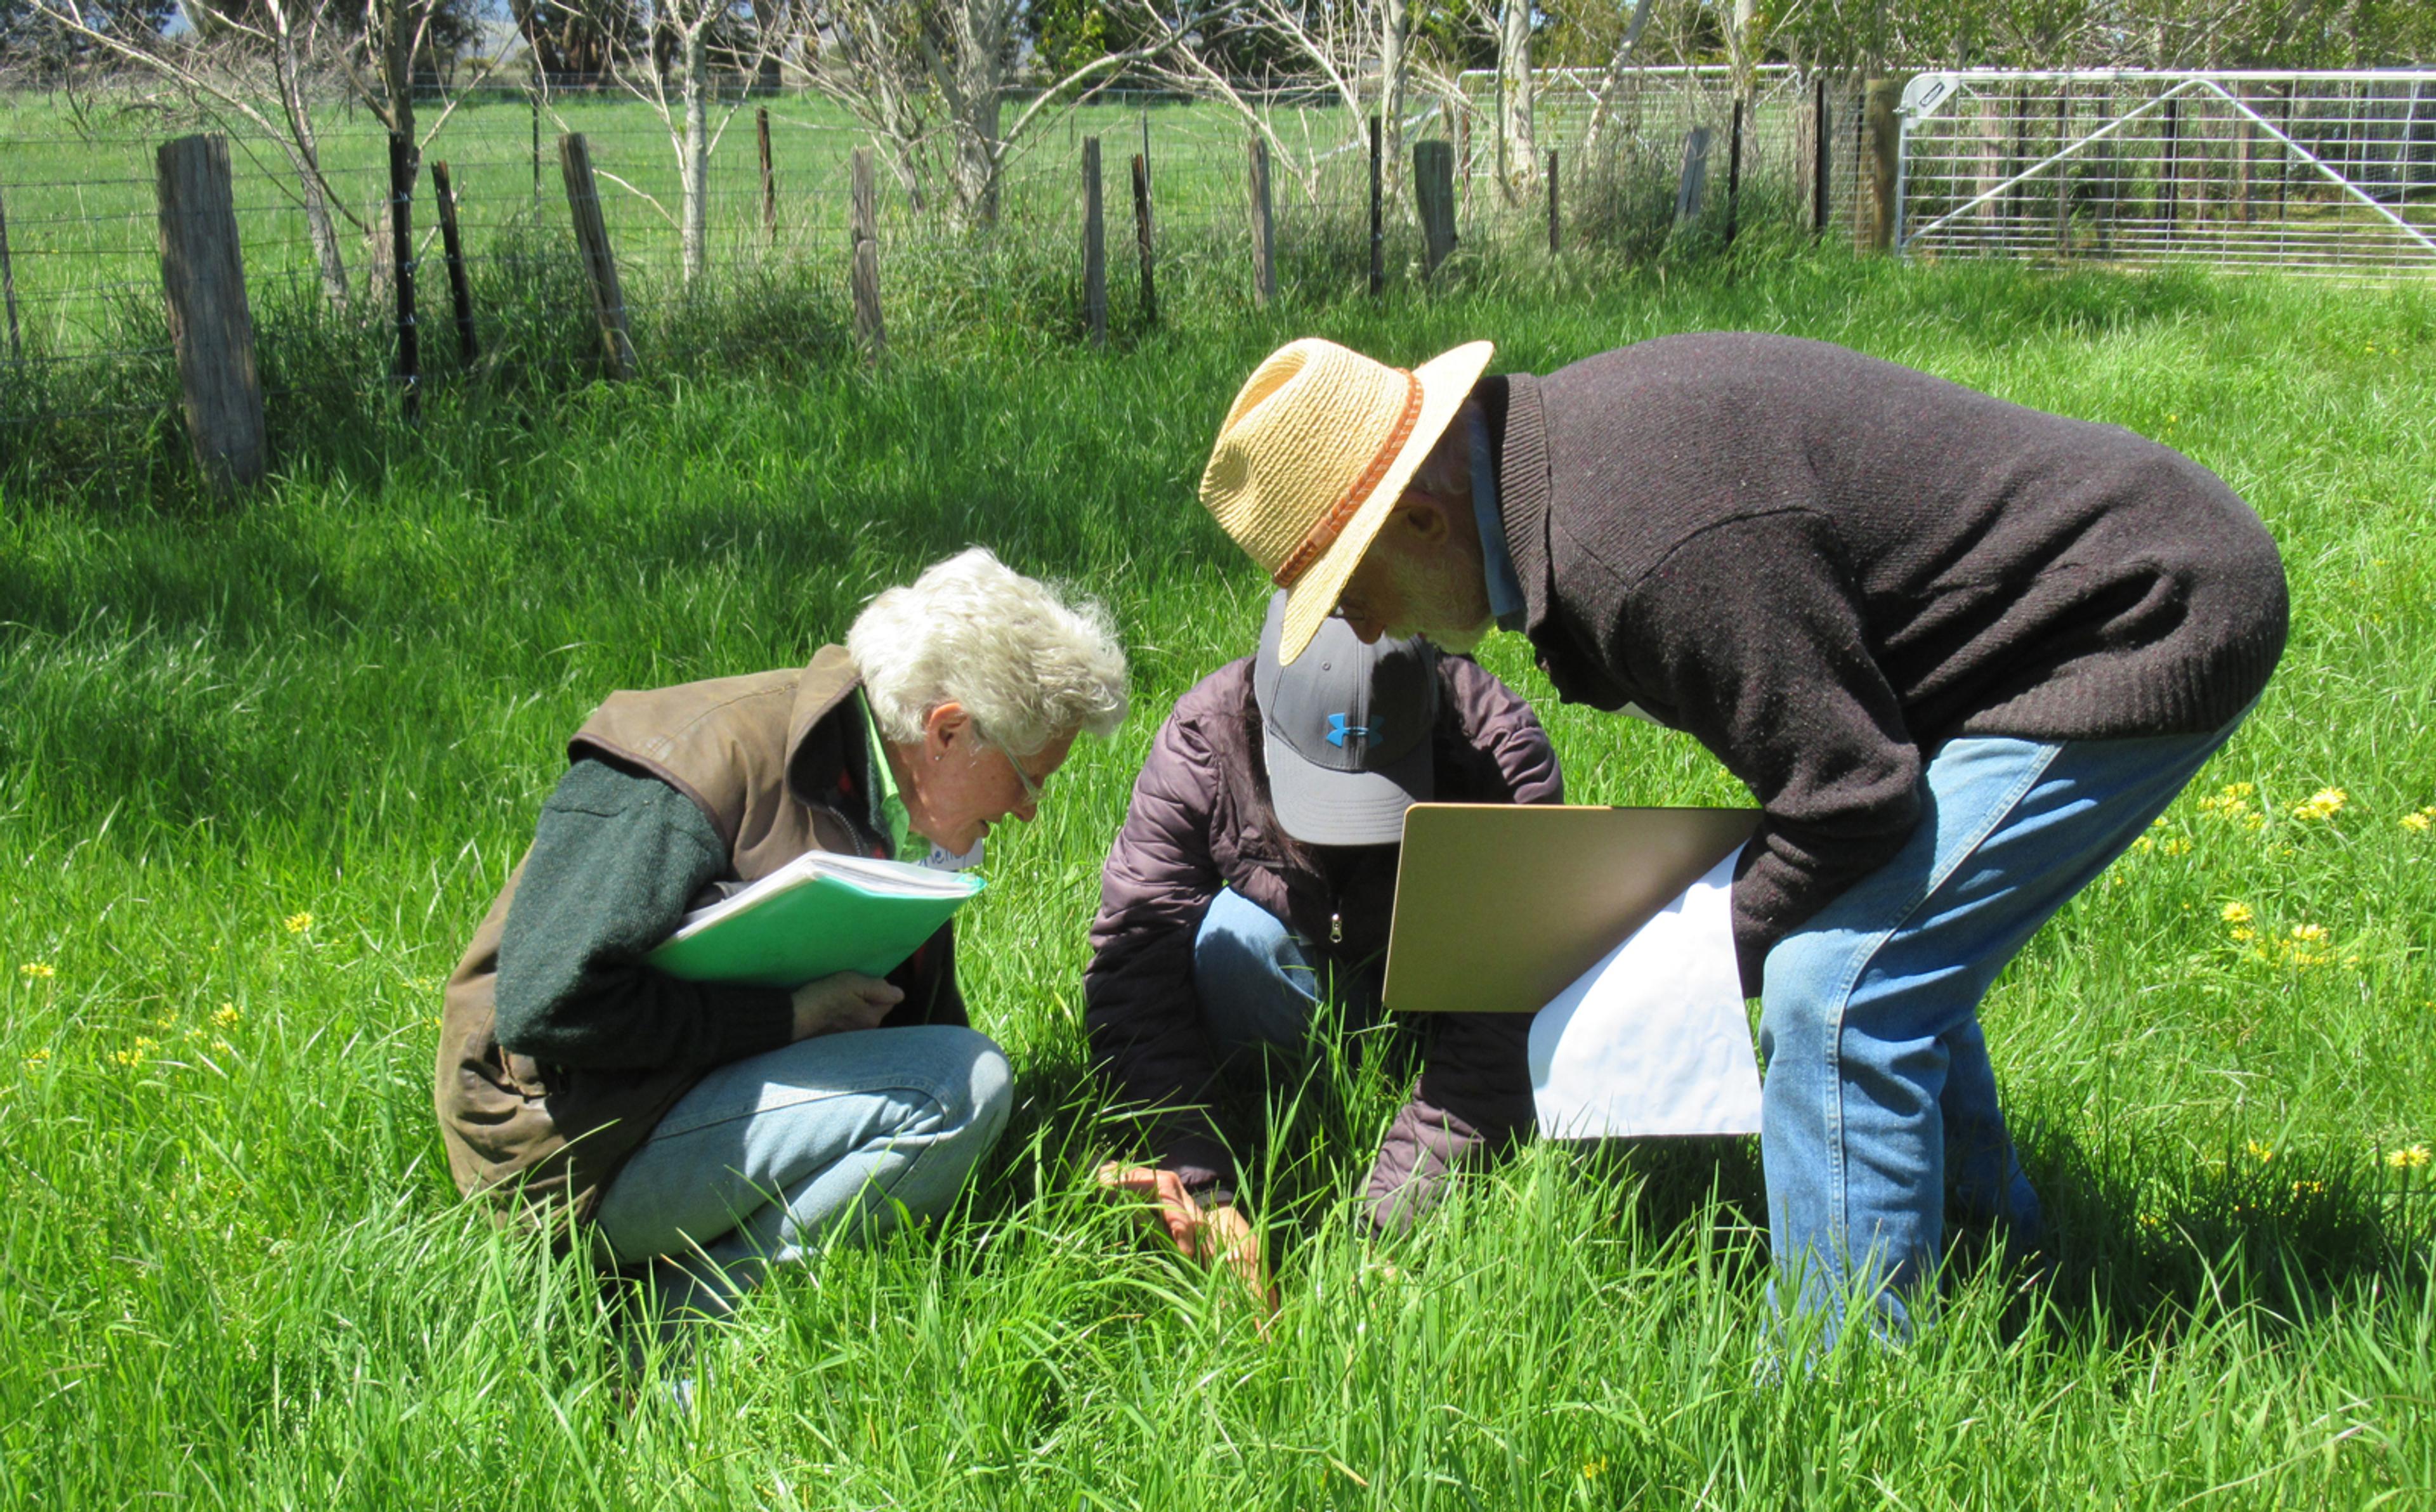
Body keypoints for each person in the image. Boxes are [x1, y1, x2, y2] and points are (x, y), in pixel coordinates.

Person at [1193, 333, 2288, 1343]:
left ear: (1424, 520)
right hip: (2038, 629)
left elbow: (1852, 802)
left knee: (1840, 987)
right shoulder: (1566, 485)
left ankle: (1836, 1390)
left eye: (1356, 590)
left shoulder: (1638, 548)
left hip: (2142, 613)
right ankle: (1989, 1242)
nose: (1372, 629)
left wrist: (1664, 968)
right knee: (1887, 942)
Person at [435, 547, 1130, 1329]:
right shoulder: (702, 759)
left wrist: (1057, 1165)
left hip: (674, 1100)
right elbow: (544, 1003)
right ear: (947, 731)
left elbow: (913, 1028)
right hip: (562, 1150)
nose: (1030, 810)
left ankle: (703, 1286)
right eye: (1029, 778)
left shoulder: (898, 802)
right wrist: (787, 1020)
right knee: (957, 1087)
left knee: (964, 1083)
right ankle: (680, 1327)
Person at [1087, 589, 1561, 1301]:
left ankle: (1394, 1082)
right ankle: (1278, 1099)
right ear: (1261, 714)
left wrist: (1387, 1227)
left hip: (1436, 1008)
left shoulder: (1499, 757)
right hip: (1290, 990)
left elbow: (1509, 1008)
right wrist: (1203, 1186)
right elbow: (1134, 973)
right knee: (1231, 938)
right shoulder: (1202, 741)